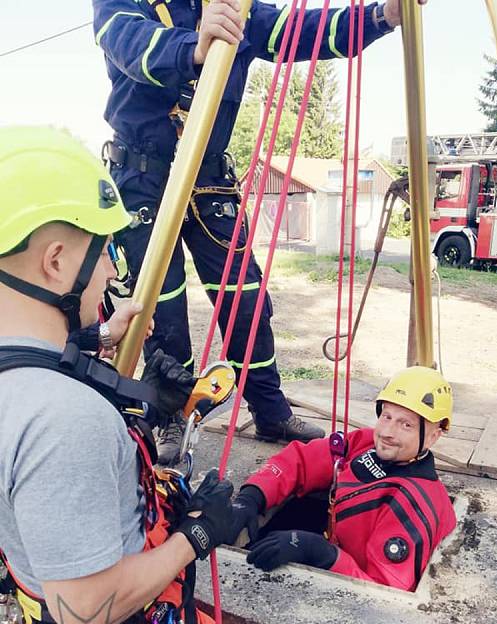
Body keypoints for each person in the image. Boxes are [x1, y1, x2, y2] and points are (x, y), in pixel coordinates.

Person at [0, 126, 301, 624]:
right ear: (54, 262)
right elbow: (86, 607)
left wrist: (114, 370)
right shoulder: (60, 420)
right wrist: (198, 536)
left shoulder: (21, 375)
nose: (113, 273)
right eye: (103, 251)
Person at [92, 0, 406, 464]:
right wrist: (194, 47)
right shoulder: (125, 3)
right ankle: (170, 413)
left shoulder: (234, 7)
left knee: (247, 301)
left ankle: (269, 409)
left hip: (209, 177)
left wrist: (382, 16)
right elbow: (127, 44)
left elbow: (305, 29)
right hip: (143, 176)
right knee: (163, 309)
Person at [231, 367, 457, 591]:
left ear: (433, 436)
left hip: (348, 578)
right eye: (387, 416)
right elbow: (304, 459)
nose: (388, 432)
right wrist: (253, 495)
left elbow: (384, 595)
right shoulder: (366, 444)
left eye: (406, 424)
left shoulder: (414, 506)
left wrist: (321, 554)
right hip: (336, 547)